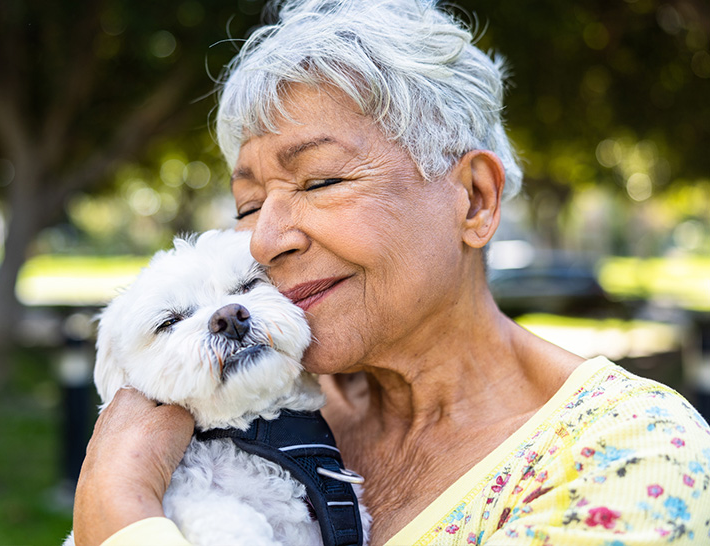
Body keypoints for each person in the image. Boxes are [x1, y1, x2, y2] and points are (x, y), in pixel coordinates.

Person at [72, 0, 710, 544]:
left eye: (321, 180)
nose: (264, 239)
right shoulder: (258, 401)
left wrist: (117, 504)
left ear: (475, 199)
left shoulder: (629, 459)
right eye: (249, 204)